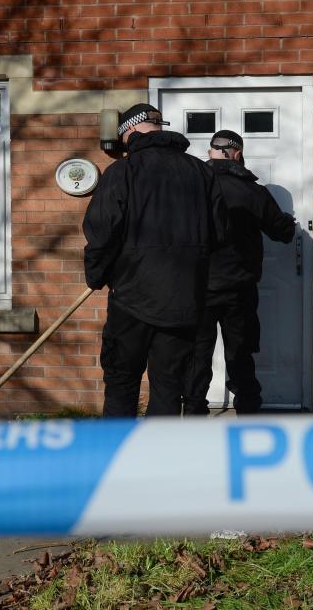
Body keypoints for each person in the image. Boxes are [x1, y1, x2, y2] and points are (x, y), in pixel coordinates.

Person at [83, 104, 225, 417]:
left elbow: (102, 231)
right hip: (183, 300)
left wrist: (95, 275)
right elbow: (219, 233)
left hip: (133, 299)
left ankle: (117, 455)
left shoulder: (123, 172)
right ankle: (160, 458)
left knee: (122, 380)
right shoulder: (202, 172)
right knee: (169, 385)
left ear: (129, 132)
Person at [185, 130, 296, 416]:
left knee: (198, 353)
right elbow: (282, 232)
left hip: (197, 286)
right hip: (238, 286)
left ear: (211, 151)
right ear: (236, 153)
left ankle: (194, 411)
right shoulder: (251, 190)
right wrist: (288, 222)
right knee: (240, 352)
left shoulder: (191, 184)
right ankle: (248, 411)